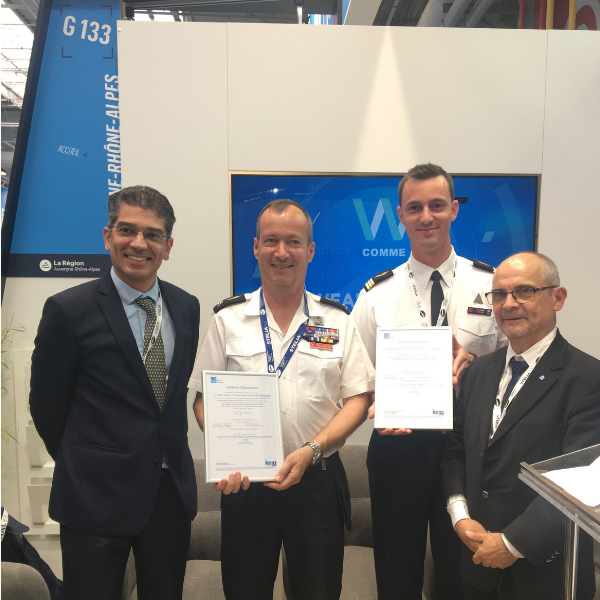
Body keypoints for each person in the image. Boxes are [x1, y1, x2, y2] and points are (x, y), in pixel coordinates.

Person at [189, 199, 374, 600]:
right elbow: (203, 400)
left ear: (310, 250)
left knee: (319, 591)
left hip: (317, 476)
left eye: (293, 241)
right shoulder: (227, 320)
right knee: (245, 589)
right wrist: (227, 450)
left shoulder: (337, 320)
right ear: (256, 247)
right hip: (246, 484)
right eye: (271, 240)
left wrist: (312, 449)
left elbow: (359, 399)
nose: (282, 252)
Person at [29, 186, 200, 600]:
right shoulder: (68, 309)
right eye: (127, 230)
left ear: (168, 247)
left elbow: (168, 401)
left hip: (168, 497)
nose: (139, 243)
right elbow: (46, 405)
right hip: (93, 498)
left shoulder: (186, 306)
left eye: (153, 234)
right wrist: (86, 463)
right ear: (108, 236)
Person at [351, 163, 508, 600]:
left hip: (470, 448)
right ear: (400, 214)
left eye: (437, 206)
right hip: (398, 446)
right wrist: (378, 405)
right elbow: (358, 377)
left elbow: (515, 364)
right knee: (396, 569)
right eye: (415, 207)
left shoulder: (492, 285)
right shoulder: (376, 294)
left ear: (454, 209)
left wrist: (478, 363)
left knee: (463, 572)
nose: (426, 217)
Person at [442, 251, 600, 600]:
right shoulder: (478, 372)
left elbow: (584, 481)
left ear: (558, 298)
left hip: (546, 576)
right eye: (499, 294)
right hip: (477, 564)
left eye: (524, 291)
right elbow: (455, 450)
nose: (509, 304)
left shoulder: (588, 379)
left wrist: (513, 544)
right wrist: (459, 515)